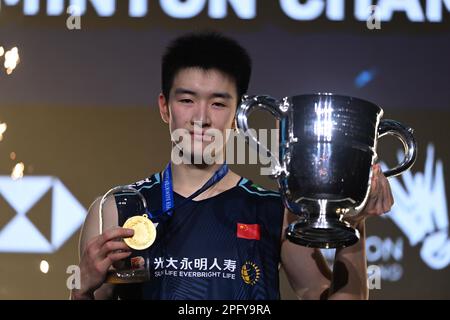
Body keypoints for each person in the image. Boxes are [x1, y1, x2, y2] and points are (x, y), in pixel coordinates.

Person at [71, 32, 393, 300]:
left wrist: (356, 225)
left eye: (218, 103)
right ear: (164, 108)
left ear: (239, 113)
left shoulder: (274, 211)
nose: (201, 118)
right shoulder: (116, 210)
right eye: (186, 100)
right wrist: (81, 289)